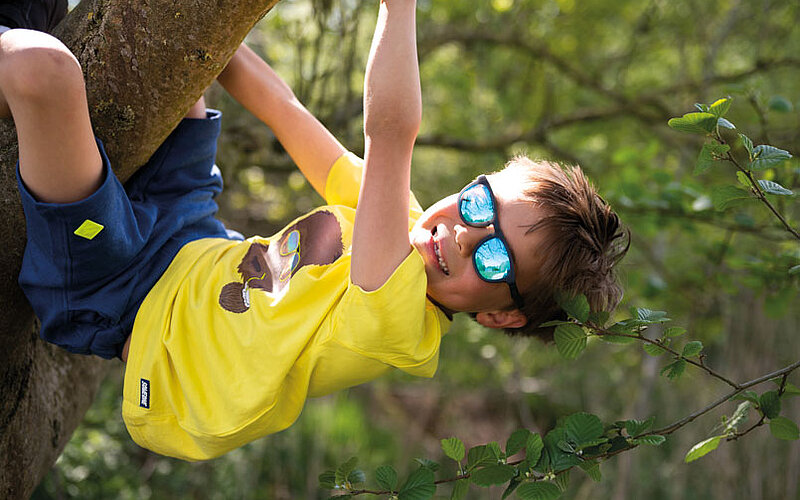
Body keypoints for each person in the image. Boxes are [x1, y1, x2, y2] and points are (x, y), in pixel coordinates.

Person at [2, 0, 628, 461]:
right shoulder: (406, 220)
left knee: (46, 73)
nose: (464, 235)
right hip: (187, 230)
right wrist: (202, 33)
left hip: (123, 302)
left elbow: (390, 133)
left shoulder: (400, 325)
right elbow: (284, 109)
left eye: (496, 259)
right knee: (157, 55)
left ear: (502, 316)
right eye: (478, 204)